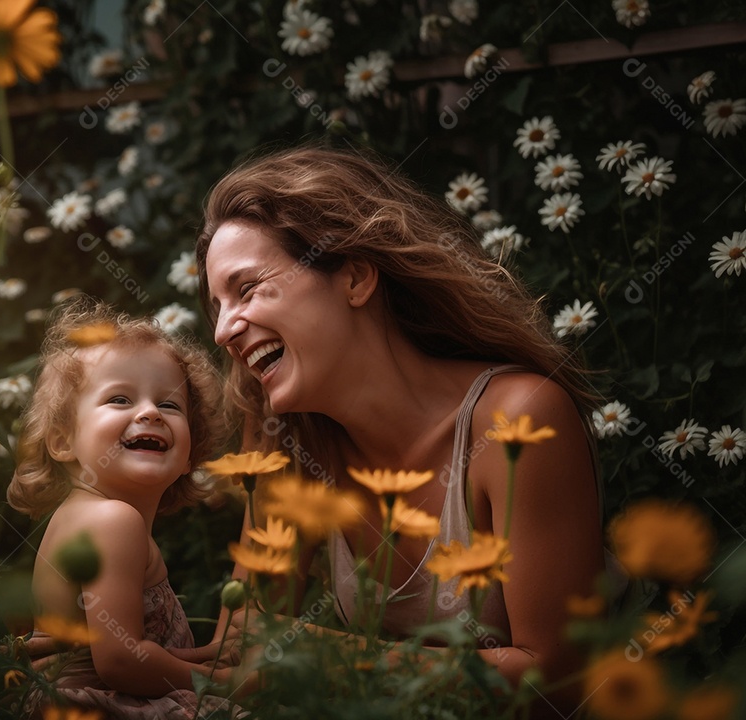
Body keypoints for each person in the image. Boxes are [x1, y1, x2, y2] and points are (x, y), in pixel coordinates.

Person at [195, 145, 612, 713]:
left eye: (246, 289)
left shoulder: (519, 419)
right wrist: (111, 653)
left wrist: (322, 657)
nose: (222, 331)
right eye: (217, 305)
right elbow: (238, 648)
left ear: (356, 278)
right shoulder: (285, 439)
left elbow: (556, 682)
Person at [5, 299, 239, 719]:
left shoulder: (83, 514)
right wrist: (224, 682)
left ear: (191, 453)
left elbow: (120, 646)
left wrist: (203, 654)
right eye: (119, 399)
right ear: (62, 441)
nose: (149, 412)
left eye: (169, 405)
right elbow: (122, 662)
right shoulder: (113, 520)